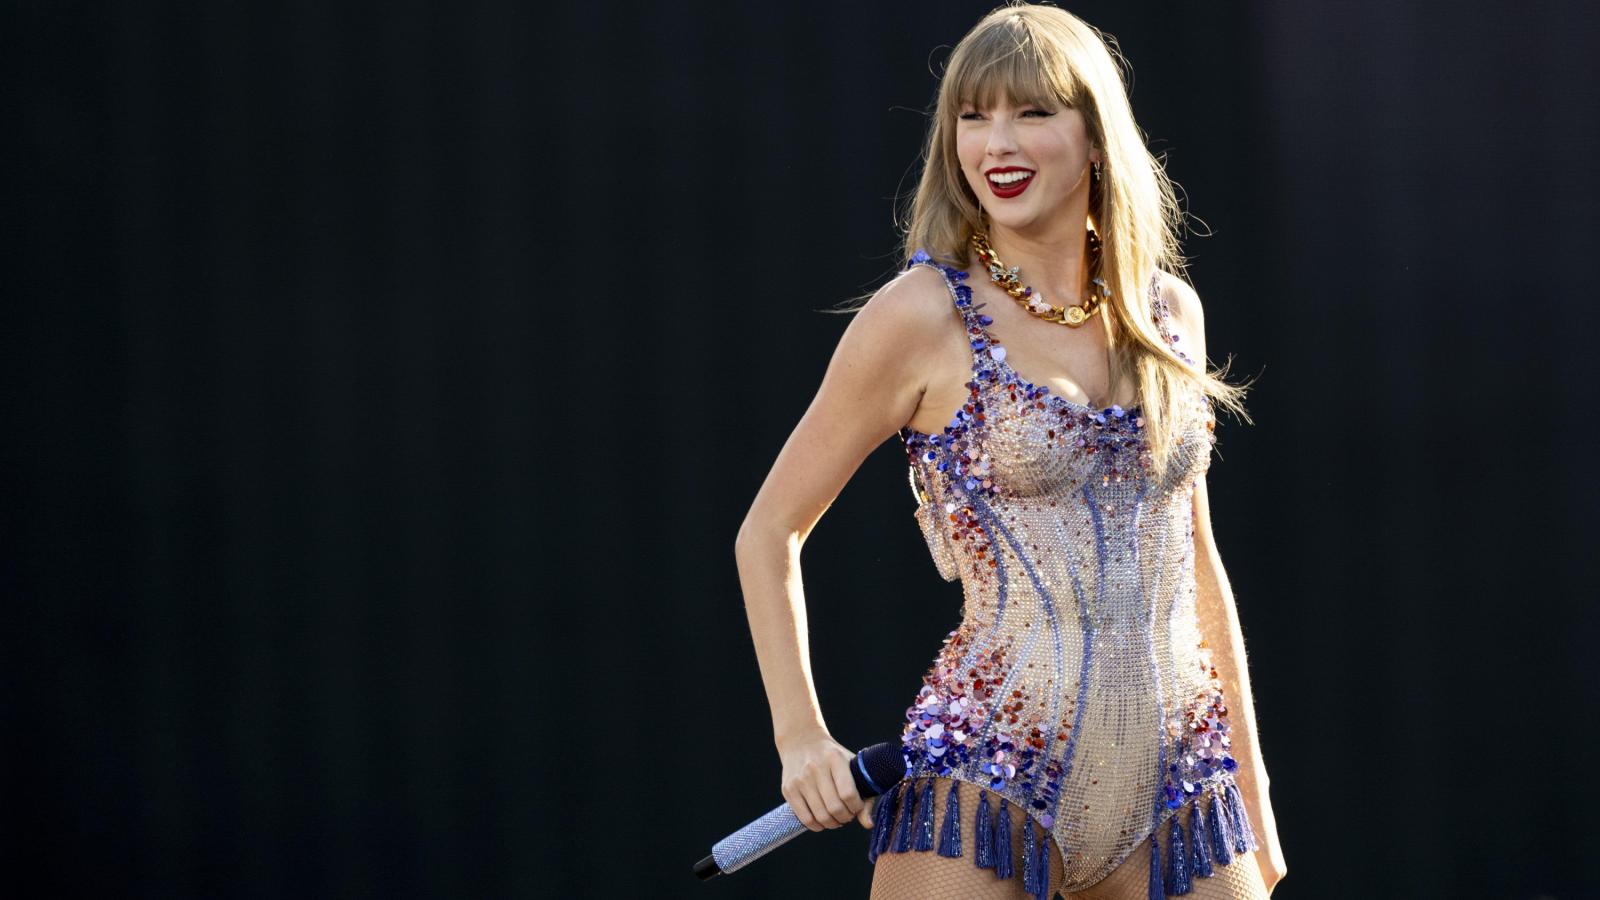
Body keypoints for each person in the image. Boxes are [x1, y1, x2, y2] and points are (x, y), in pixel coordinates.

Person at [733, 3, 1286, 898]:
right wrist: (800, 739)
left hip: (1180, 784)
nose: (998, 140)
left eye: (1032, 112)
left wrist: (1254, 793)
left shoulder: (1168, 315)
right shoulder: (921, 316)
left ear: (1096, 136)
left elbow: (1199, 567)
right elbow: (767, 534)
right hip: (991, 773)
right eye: (973, 114)